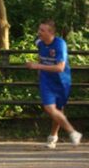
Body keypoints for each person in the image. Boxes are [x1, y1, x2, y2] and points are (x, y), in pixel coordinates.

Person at [25, 20, 82, 148]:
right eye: (39, 29)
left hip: (62, 81)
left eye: (42, 30)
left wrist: (37, 66)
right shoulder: (39, 42)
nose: (39, 32)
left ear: (50, 32)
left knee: (57, 110)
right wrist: (39, 69)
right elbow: (41, 55)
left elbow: (60, 68)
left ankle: (53, 137)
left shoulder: (60, 44)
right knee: (49, 108)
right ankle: (73, 132)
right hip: (46, 80)